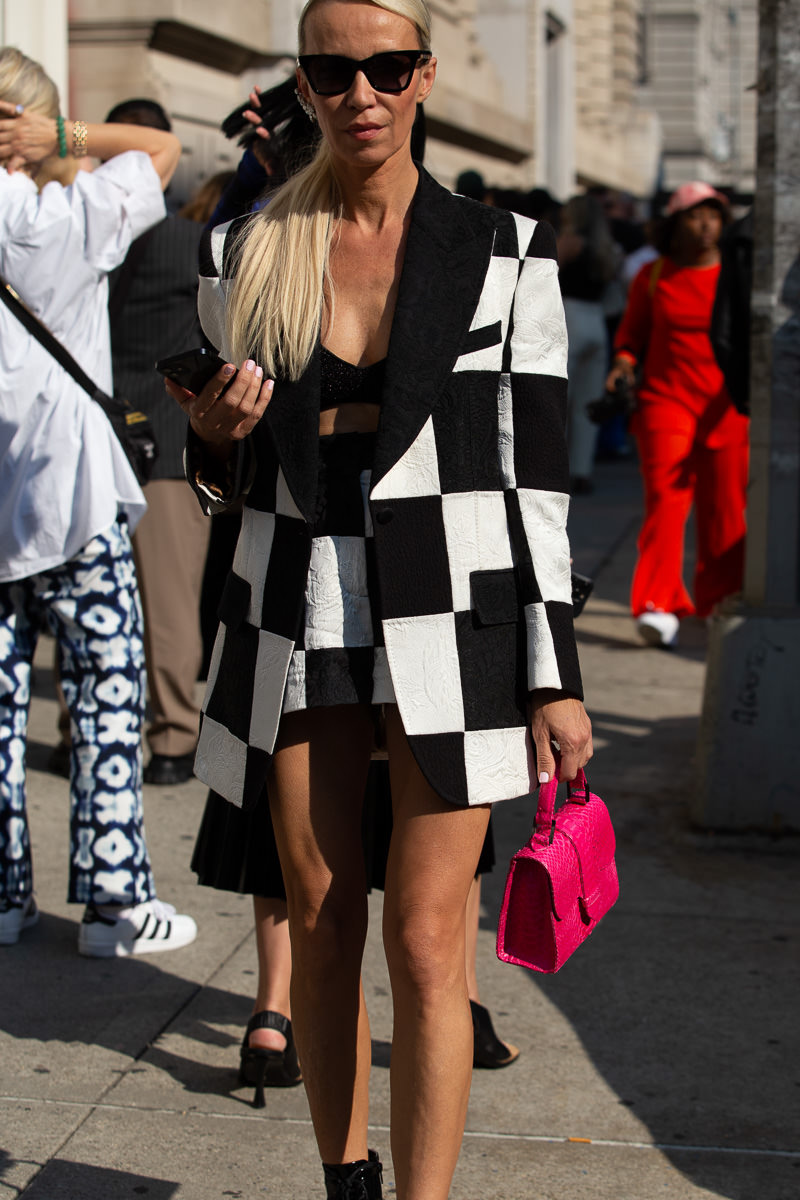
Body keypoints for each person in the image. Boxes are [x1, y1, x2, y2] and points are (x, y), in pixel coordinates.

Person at [166, 3, 592, 1197]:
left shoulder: (502, 250)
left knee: (424, 936)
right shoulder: (243, 249)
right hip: (297, 601)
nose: (361, 90)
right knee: (318, 912)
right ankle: (341, 1177)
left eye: (386, 66)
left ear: (423, 74)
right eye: (332, 68)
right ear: (303, 82)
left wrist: (554, 671)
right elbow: (228, 471)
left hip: (459, 608)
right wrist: (211, 441)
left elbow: (537, 474)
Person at [0, 48, 197, 956]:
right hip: (71, 499)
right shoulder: (64, 218)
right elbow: (161, 147)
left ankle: (4, 898)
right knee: (107, 695)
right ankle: (114, 905)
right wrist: (64, 141)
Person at [105, 97, 231, 787]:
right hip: (169, 438)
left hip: (93, 443)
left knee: (89, 595)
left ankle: (79, 730)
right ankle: (174, 741)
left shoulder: (83, 233)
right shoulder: (191, 244)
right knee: (172, 603)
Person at [607, 181, 749, 648]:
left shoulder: (737, 275)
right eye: (694, 214)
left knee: (726, 512)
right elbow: (630, 338)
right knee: (667, 503)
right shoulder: (653, 275)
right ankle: (657, 603)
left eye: (713, 214)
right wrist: (622, 365)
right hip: (665, 402)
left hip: (727, 407)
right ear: (675, 223)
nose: (705, 224)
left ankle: (719, 601)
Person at [557, 193, 619, 493]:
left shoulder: (570, 240)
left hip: (569, 316)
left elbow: (544, 270)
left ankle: (557, 470)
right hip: (597, 320)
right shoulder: (607, 248)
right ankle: (582, 471)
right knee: (587, 403)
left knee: (561, 400)